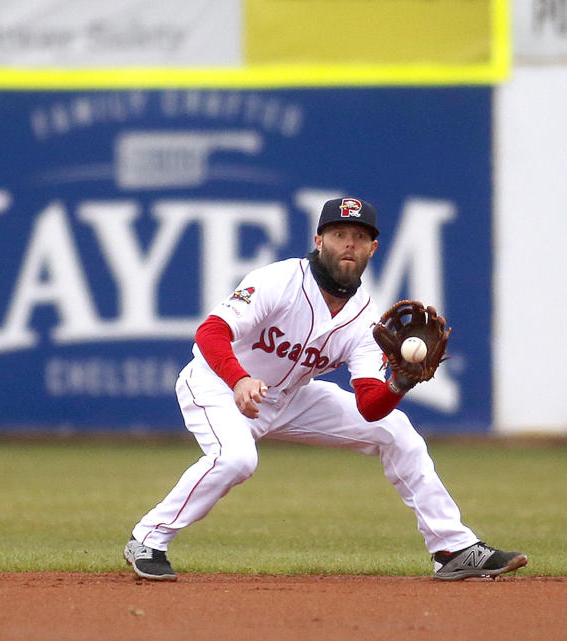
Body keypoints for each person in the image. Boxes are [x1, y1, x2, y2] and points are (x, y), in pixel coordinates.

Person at [123, 197, 527, 581]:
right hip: (216, 384)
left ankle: (452, 550)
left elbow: (370, 407)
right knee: (237, 459)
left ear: (374, 248)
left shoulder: (366, 320)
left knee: (397, 431)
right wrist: (239, 379)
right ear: (318, 241)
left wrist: (400, 383)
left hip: (289, 398)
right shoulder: (278, 280)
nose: (348, 244)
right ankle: (148, 538)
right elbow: (211, 332)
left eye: (360, 237)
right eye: (338, 234)